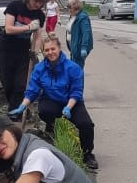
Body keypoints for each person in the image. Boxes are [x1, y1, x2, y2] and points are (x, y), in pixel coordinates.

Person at [8, 34, 98, 172]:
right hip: (51, 100)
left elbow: (76, 92)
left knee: (86, 124)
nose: (50, 52)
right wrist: (22, 105)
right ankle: (51, 126)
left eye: (53, 49)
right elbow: (32, 90)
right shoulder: (40, 69)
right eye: (47, 50)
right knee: (45, 111)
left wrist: (68, 108)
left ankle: (87, 154)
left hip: (72, 102)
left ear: (59, 48)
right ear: (43, 51)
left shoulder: (73, 68)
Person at [0, 0, 48, 111]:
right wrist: (28, 27)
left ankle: (15, 112)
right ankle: (13, 107)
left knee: (21, 84)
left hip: (23, 50)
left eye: (41, 2)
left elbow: (37, 36)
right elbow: (8, 29)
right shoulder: (15, 6)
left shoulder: (39, 15)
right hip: (7, 48)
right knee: (7, 83)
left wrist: (35, 52)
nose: (38, 4)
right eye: (36, 1)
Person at [65, 0, 94, 69]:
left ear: (76, 7)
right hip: (73, 47)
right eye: (68, 7)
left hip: (79, 48)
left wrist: (84, 47)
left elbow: (86, 33)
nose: (68, 9)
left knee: (77, 69)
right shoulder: (73, 16)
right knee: (73, 68)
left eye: (69, 7)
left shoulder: (83, 17)